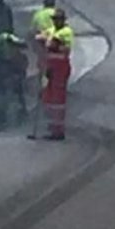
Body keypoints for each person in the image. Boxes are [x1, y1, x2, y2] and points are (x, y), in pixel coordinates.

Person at [40, 8, 75, 140]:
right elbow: (41, 37)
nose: (55, 22)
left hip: (61, 68)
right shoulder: (53, 30)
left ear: (63, 20)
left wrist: (49, 42)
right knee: (48, 97)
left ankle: (58, 130)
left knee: (58, 100)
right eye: (54, 19)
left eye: (58, 19)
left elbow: (59, 46)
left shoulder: (66, 32)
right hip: (51, 67)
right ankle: (51, 127)